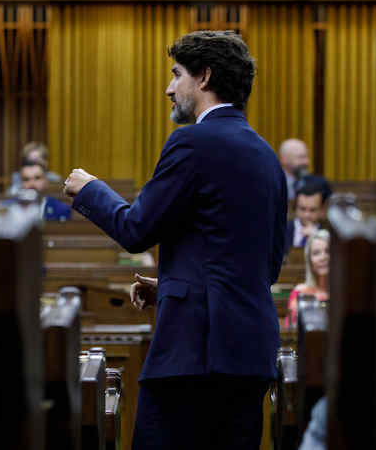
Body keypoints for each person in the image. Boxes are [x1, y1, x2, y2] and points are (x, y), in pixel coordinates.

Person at [63, 30, 286, 450]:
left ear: (203, 77)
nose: (169, 88)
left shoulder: (192, 141)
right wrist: (171, 287)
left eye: (176, 74)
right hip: (249, 354)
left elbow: (137, 231)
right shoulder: (265, 155)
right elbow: (261, 266)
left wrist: (90, 189)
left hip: (195, 355)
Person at [284, 230, 329, 329]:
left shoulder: (345, 294)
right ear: (310, 261)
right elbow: (291, 330)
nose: (323, 257)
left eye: (328, 251)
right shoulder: (299, 292)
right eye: (316, 253)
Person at [286, 175, 332, 250]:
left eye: (312, 210)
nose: (307, 215)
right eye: (302, 209)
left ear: (322, 210)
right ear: (295, 207)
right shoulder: (281, 231)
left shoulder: (329, 235)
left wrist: (317, 237)